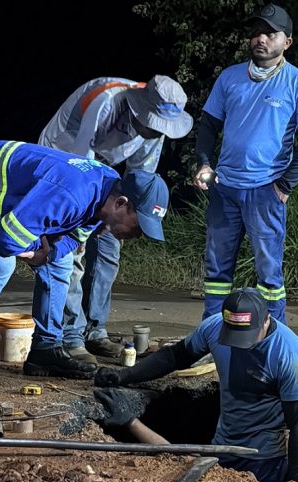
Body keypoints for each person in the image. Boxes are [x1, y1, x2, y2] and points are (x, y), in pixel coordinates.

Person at [0, 140, 168, 406]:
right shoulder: (72, 194)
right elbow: (4, 240)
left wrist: (47, 253)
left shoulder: (107, 189)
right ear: (121, 203)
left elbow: (70, 238)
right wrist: (38, 248)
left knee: (60, 262)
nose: (137, 236)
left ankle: (45, 348)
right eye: (138, 226)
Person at [40, 75, 193, 363]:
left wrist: (120, 223)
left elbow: (140, 181)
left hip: (104, 166)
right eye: (153, 124)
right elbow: (80, 169)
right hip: (64, 159)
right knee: (71, 254)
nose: (155, 132)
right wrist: (78, 228)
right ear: (140, 109)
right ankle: (71, 337)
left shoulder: (153, 132)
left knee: (110, 246)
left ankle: (94, 331)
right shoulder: (105, 100)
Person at [93, 287, 298, 482]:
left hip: (264, 460)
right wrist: (124, 376)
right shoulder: (214, 326)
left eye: (246, 338)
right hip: (221, 448)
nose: (239, 346)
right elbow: (175, 356)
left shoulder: (291, 356)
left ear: (266, 320)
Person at [193, 3, 298, 324]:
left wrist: (284, 185)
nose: (260, 39)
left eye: (269, 33)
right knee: (216, 268)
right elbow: (208, 125)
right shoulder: (230, 78)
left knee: (268, 272)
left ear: (287, 42)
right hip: (225, 188)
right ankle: (213, 330)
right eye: (255, 33)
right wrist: (204, 164)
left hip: (266, 191)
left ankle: (272, 333)